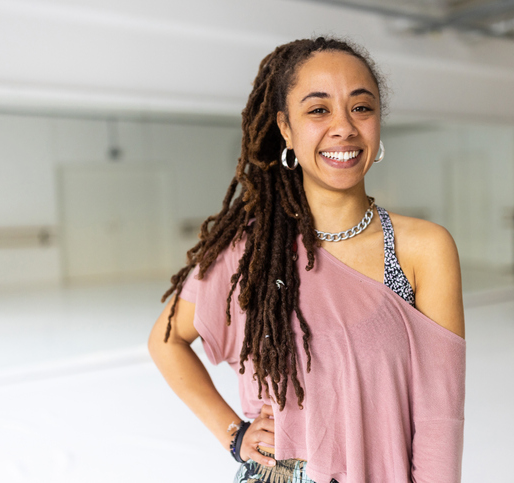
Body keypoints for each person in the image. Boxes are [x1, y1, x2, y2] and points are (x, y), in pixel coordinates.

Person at [148, 36, 466, 483]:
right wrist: (234, 435)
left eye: (361, 107)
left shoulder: (422, 248)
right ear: (285, 128)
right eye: (318, 110)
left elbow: (440, 414)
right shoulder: (252, 252)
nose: (344, 127)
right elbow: (166, 341)